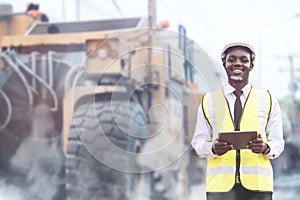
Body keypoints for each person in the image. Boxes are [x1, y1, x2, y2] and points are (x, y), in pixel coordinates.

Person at [191, 42, 285, 200]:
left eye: (244, 60)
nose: (237, 63)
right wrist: (212, 148)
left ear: (251, 65)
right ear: (224, 64)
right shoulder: (209, 101)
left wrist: (265, 147)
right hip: (220, 189)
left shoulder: (268, 100)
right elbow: (198, 142)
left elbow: (278, 142)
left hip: (258, 187)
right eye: (232, 59)